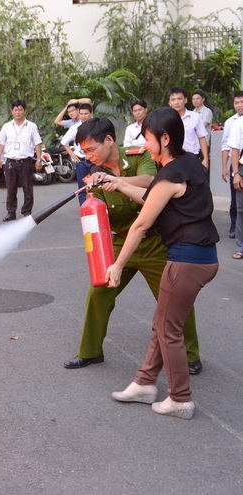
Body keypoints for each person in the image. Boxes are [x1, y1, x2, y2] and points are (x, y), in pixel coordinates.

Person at [63, 117, 202, 376]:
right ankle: (90, 351)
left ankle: (191, 354)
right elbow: (97, 217)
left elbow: (152, 180)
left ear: (109, 140)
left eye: (91, 149)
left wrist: (118, 183)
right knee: (98, 292)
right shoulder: (94, 176)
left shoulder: (138, 155)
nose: (88, 155)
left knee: (175, 298)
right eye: (84, 151)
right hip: (120, 242)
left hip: (154, 243)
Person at [104, 107, 219, 420]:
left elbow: (142, 224)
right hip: (202, 258)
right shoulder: (188, 164)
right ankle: (143, 383)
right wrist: (121, 185)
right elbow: (153, 197)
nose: (144, 143)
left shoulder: (170, 174)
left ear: (165, 139)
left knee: (168, 330)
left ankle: (180, 399)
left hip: (186, 260)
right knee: (164, 322)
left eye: (148, 138)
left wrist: (117, 265)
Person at [0, 99, 43, 222]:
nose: (18, 112)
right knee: (11, 189)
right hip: (10, 162)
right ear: (12, 111)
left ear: (25, 111)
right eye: (15, 110)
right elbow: (1, 143)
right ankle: (11, 213)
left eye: (20, 110)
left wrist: (39, 159)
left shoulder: (31, 126)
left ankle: (27, 212)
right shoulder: (6, 127)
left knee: (28, 188)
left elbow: (37, 144)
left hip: (26, 161)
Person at [220, 91, 243, 239]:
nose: (239, 105)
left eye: (242, 102)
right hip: (236, 165)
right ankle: (234, 226)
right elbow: (226, 147)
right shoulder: (231, 122)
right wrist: (224, 167)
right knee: (236, 199)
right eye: (237, 103)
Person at [60, 102, 93, 204]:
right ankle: (85, 212)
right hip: (81, 162)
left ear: (91, 114)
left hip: (95, 161)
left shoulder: (96, 126)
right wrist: (72, 154)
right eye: (81, 114)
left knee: (97, 186)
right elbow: (64, 142)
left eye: (86, 114)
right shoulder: (75, 128)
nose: (83, 116)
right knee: (82, 189)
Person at [168, 87, 208, 169]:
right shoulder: (166, 119)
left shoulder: (195, 117)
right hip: (172, 159)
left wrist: (205, 159)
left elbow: (202, 138)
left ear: (185, 100)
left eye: (179, 99)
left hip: (191, 158)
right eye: (173, 99)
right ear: (169, 103)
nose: (176, 102)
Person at [226, 104, 243, 260]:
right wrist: (236, 173)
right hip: (242, 170)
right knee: (241, 210)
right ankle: (241, 247)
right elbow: (235, 150)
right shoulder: (240, 123)